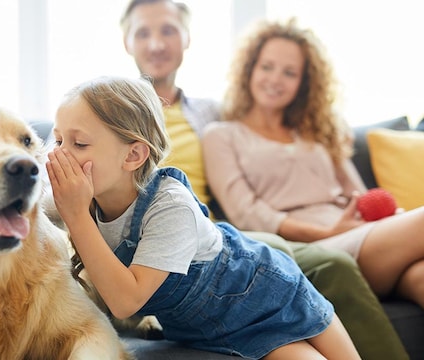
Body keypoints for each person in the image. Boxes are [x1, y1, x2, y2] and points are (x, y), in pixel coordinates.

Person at [120, 0, 409, 358]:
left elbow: (261, 124)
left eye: (168, 31)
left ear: (187, 39)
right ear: (126, 41)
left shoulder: (210, 113)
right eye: (143, 33)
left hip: (217, 234)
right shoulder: (114, 113)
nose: (157, 44)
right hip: (186, 236)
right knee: (323, 262)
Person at [46, 75, 360, 359]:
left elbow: (126, 301)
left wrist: (77, 216)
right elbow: (24, 213)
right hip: (201, 328)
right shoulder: (77, 199)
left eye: (79, 143)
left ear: (133, 155)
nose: (60, 155)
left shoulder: (170, 205)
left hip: (268, 296)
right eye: (58, 140)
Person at [203, 18, 424, 310]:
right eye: (267, 66)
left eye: (289, 72)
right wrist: (328, 234)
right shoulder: (221, 135)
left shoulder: (317, 133)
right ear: (249, 69)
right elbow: (248, 215)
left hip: (360, 237)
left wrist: (389, 219)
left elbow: (359, 196)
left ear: (304, 82)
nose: (275, 79)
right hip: (315, 249)